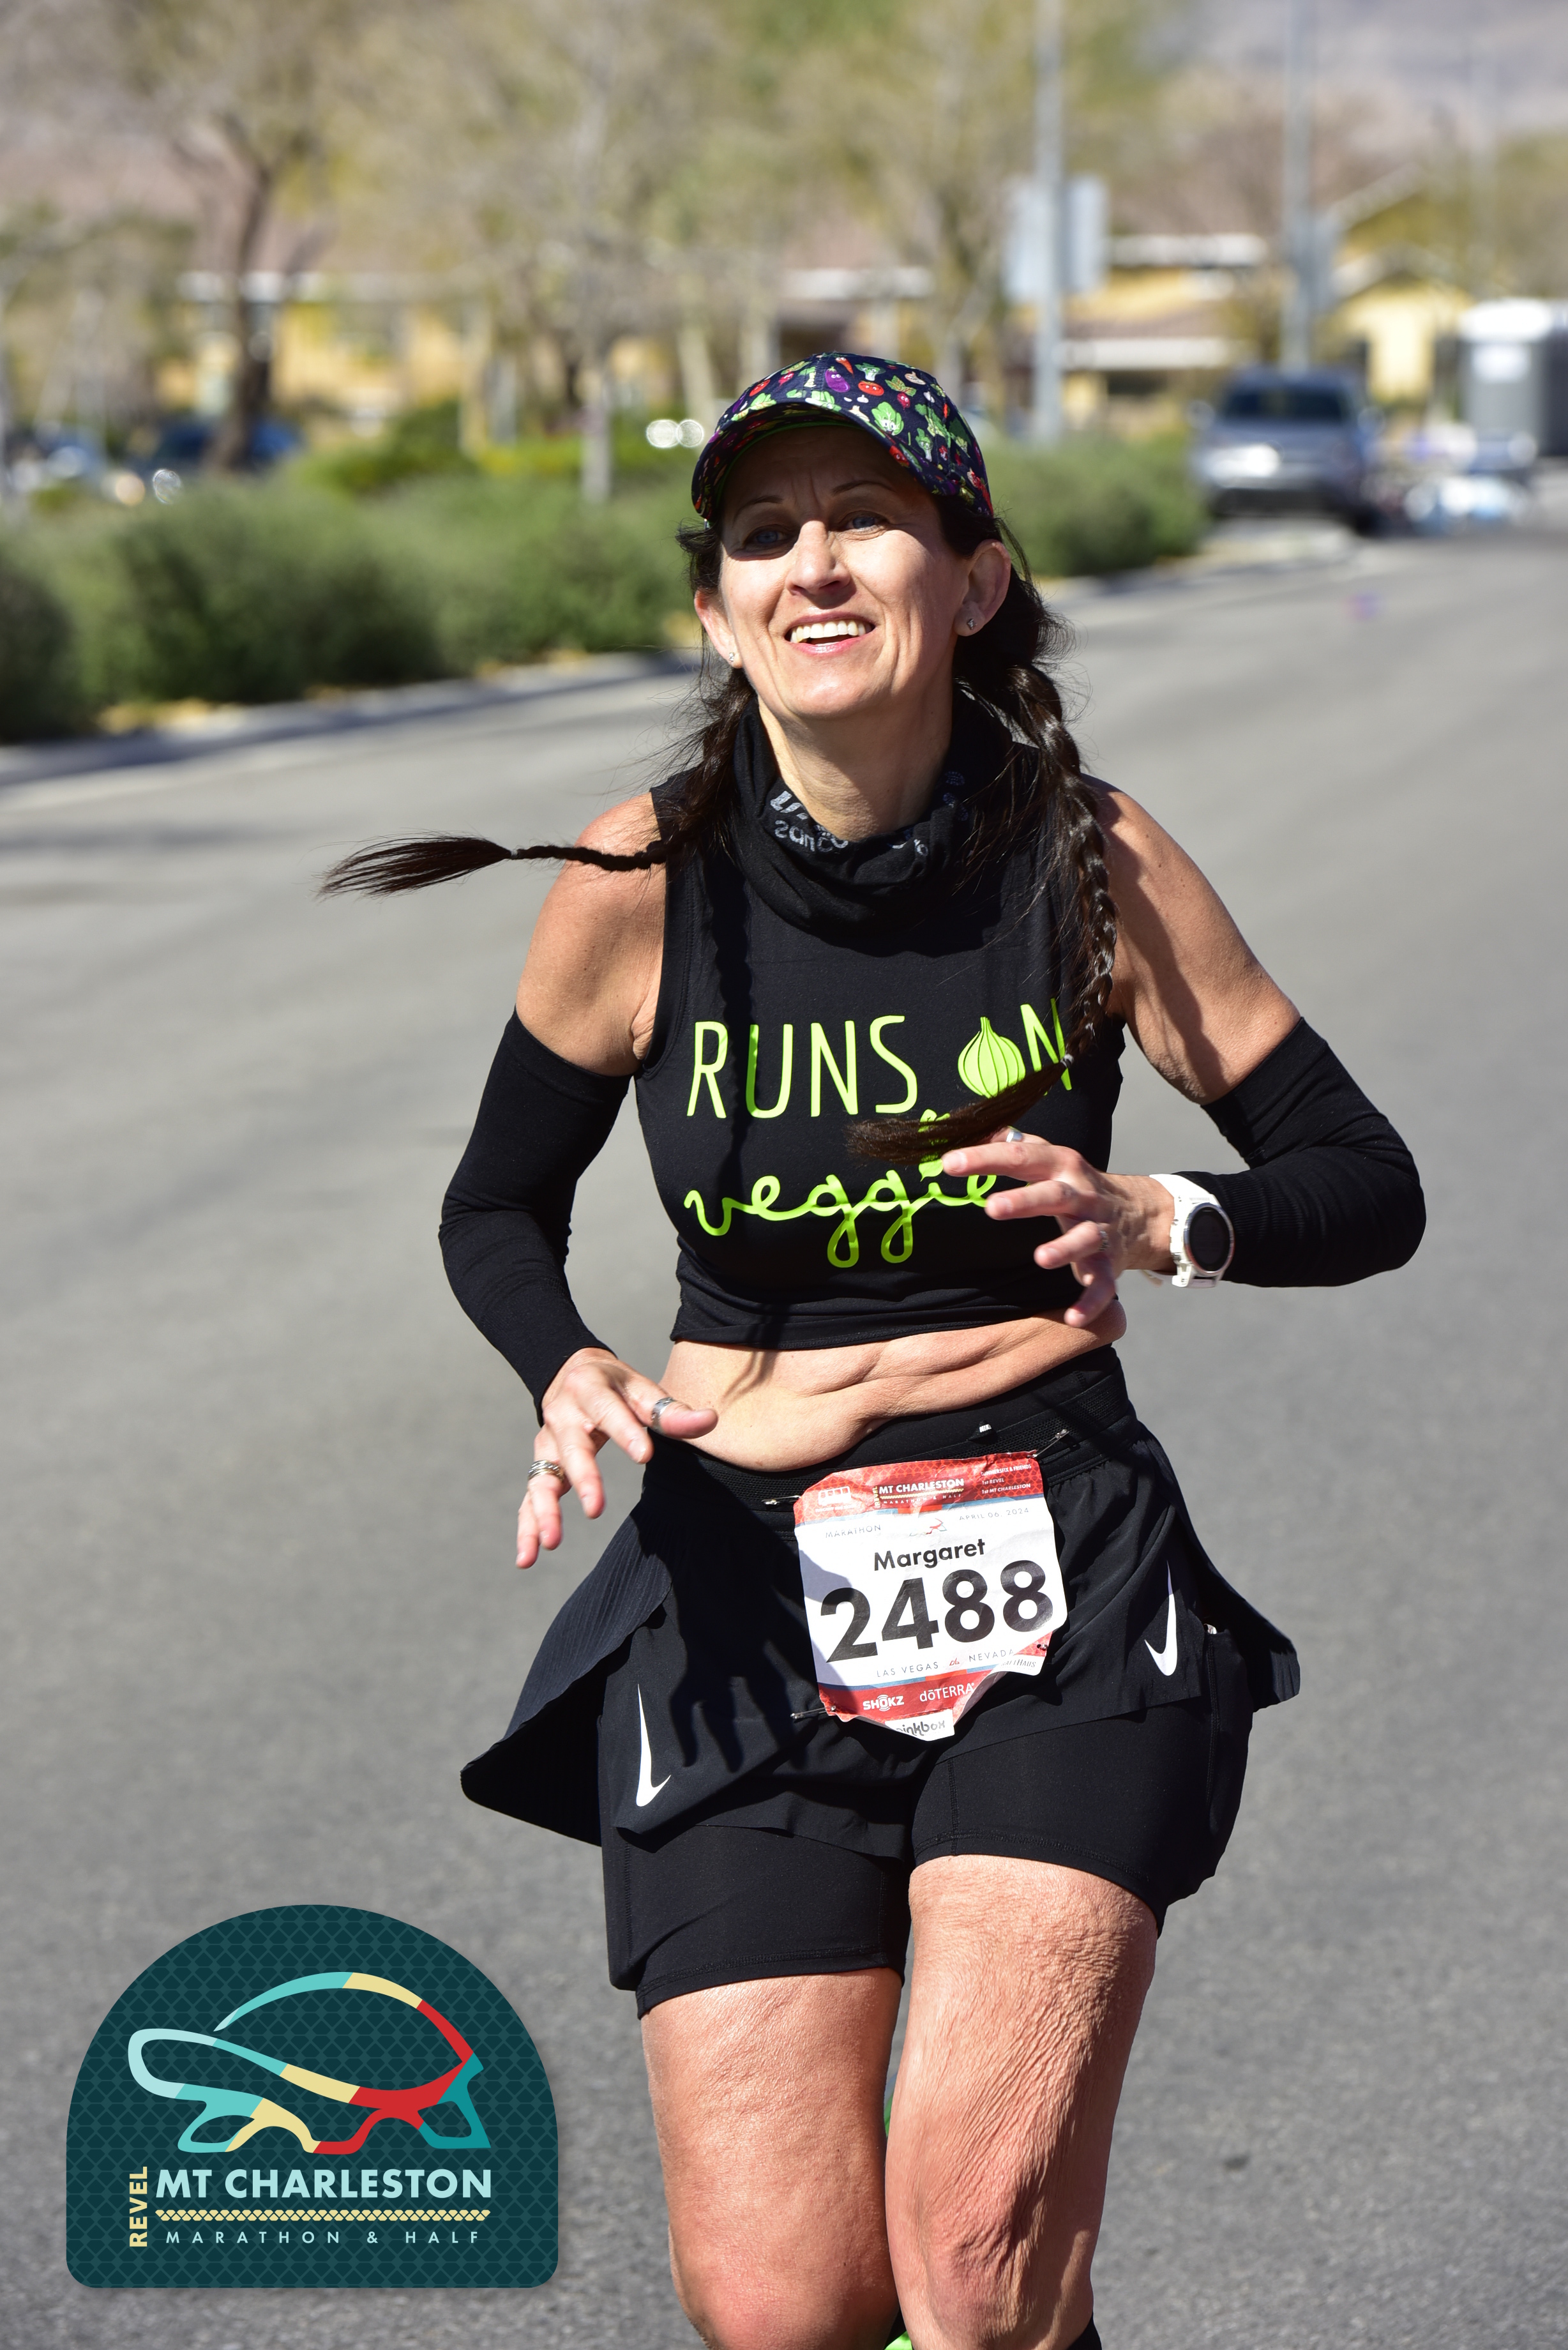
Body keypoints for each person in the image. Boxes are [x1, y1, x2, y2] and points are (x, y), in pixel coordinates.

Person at [325, 352, 1424, 2350]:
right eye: (764, 534)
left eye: (865, 521)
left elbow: (1363, 1179)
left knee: (979, 2254)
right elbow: (494, 1208)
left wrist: (1170, 1215)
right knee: (783, 2300)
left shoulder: (1092, 861)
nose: (812, 564)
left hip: (1057, 1565)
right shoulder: (644, 878)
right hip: (740, 1593)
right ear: (714, 606)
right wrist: (560, 1362)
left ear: (973, 580)